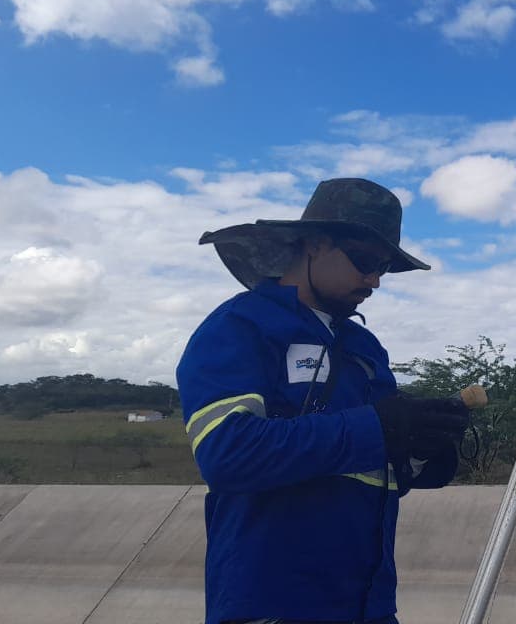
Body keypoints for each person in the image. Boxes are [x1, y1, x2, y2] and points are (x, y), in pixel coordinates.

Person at [177, 178, 469, 624]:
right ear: (314, 244)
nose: (374, 279)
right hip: (272, 603)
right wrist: (380, 427)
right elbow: (227, 453)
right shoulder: (241, 327)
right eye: (365, 261)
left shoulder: (364, 349)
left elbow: (377, 467)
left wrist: (423, 448)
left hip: (368, 605)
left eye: (384, 268)